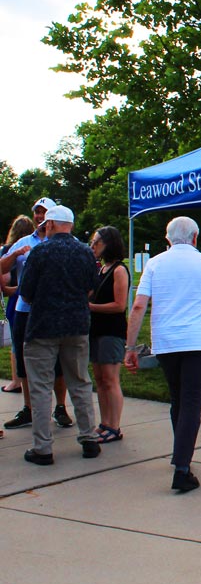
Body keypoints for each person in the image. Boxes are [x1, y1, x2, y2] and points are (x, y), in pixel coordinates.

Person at [124, 216, 201, 493]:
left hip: (166, 342)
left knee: (178, 399)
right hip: (198, 342)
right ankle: (182, 467)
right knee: (191, 402)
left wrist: (131, 347)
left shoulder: (154, 264)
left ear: (168, 239)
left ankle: (181, 452)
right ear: (195, 238)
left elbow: (139, 307)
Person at [18, 205, 101, 465]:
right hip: (76, 325)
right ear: (71, 226)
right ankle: (89, 438)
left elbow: (26, 292)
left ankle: (43, 448)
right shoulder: (85, 253)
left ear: (50, 225)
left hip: (43, 325)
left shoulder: (40, 252)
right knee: (80, 382)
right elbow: (91, 287)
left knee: (41, 387)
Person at [3, 198, 74, 431]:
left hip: (54, 310)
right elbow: (2, 268)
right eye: (37, 212)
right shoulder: (24, 242)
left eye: (44, 212)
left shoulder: (68, 243)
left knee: (57, 361)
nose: (39, 216)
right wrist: (15, 256)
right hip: (25, 309)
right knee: (23, 359)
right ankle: (28, 408)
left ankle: (60, 407)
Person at [88, 226, 130, 443]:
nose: (93, 246)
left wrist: (90, 307)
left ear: (109, 244)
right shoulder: (100, 270)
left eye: (98, 242)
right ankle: (104, 423)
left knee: (111, 379)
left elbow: (119, 305)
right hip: (95, 330)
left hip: (111, 331)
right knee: (100, 379)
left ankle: (114, 426)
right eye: (92, 242)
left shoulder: (119, 270)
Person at [2, 215, 35, 394]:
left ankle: (16, 380)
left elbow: (4, 282)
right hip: (27, 296)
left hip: (18, 298)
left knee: (17, 342)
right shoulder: (32, 247)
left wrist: (15, 289)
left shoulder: (8, 250)